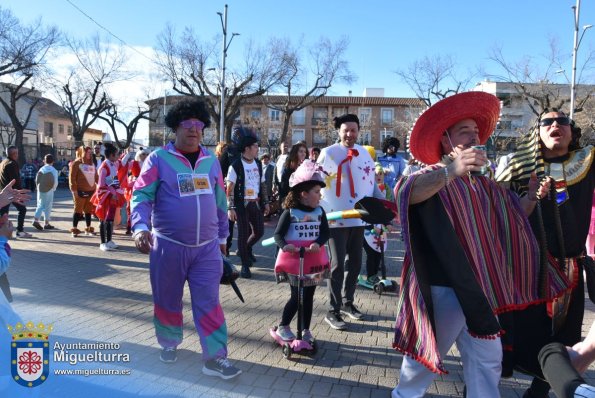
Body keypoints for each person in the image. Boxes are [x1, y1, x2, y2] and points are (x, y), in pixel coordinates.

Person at [391, 92, 570, 398]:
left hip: (480, 291)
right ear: (447, 142)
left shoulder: (487, 185)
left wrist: (529, 199)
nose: (476, 137)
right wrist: (450, 171)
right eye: (466, 131)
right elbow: (405, 193)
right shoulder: (429, 176)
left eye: (477, 131)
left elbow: (511, 219)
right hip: (442, 287)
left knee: (488, 360)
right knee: (419, 367)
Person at [131, 98, 241, 379]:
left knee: (210, 303)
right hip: (168, 246)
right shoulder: (158, 159)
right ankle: (168, 343)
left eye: (199, 125)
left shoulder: (211, 161)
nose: (194, 130)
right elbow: (141, 195)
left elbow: (219, 200)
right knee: (167, 300)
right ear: (175, 128)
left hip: (206, 250)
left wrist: (222, 238)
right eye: (187, 124)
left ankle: (215, 358)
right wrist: (140, 226)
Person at [496, 110, 595, 398]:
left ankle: (537, 394)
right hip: (526, 270)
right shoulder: (516, 167)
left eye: (562, 121)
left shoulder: (588, 163)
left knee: (566, 341)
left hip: (571, 272)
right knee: (518, 340)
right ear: (536, 132)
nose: (555, 126)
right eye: (547, 122)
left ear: (571, 131)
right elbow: (497, 214)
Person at [316, 113, 382, 330]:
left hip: (358, 219)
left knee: (355, 264)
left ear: (358, 131)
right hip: (334, 219)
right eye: (346, 130)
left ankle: (348, 303)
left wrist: (383, 209)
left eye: (353, 130)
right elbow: (314, 182)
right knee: (336, 266)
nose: (349, 134)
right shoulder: (328, 153)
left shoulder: (365, 154)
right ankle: (332, 310)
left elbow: (371, 185)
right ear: (339, 131)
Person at [273, 159, 330, 342]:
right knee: (297, 296)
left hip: (313, 261)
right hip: (294, 262)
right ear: (304, 194)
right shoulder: (289, 213)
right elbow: (278, 235)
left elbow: (325, 233)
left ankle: (305, 330)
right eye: (316, 192)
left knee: (309, 297)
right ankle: (283, 325)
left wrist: (318, 243)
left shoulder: (320, 212)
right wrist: (285, 246)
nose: (320, 196)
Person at [226, 127, 270, 278]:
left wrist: (266, 202)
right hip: (240, 205)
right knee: (243, 234)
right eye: (256, 146)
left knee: (259, 232)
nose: (258, 148)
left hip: (255, 203)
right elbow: (230, 188)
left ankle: (244, 249)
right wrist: (230, 207)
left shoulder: (258, 164)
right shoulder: (235, 166)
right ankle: (245, 265)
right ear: (247, 148)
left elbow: (263, 185)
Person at [92, 143, 126, 251]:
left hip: (112, 197)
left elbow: (113, 180)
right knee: (103, 219)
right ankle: (103, 243)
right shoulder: (104, 167)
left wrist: (116, 192)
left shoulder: (112, 164)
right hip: (105, 197)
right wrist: (111, 194)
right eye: (116, 155)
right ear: (111, 155)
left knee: (110, 219)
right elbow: (101, 185)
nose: (117, 157)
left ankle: (109, 240)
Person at [0, 146, 32, 238]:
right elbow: (15, 180)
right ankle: (20, 231)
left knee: (4, 213)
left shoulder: (3, 162)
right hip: (12, 193)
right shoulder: (12, 163)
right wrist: (20, 193)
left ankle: (3, 233)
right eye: (16, 153)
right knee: (22, 209)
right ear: (14, 154)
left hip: (3, 192)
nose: (17, 155)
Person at [69, 146, 97, 237]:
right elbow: (72, 178)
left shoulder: (92, 164)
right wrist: (74, 190)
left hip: (91, 191)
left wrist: (101, 185)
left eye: (90, 152)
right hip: (80, 191)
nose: (89, 154)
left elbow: (96, 177)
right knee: (78, 210)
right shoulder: (76, 163)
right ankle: (74, 229)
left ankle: (88, 228)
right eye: (87, 152)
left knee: (88, 211)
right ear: (82, 152)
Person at [32, 154, 59, 231]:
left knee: (40, 204)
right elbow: (55, 182)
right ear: (52, 161)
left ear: (44, 161)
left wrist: (37, 187)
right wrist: (53, 189)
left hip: (40, 189)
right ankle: (43, 222)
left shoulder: (41, 169)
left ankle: (39, 220)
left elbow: (37, 179)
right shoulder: (54, 170)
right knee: (48, 206)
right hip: (49, 189)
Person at [278, 142, 308, 207]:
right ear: (295, 153)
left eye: (304, 152)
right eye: (301, 151)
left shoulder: (305, 167)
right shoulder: (288, 169)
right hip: (290, 203)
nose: (303, 154)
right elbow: (284, 188)